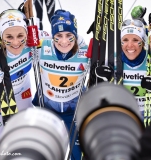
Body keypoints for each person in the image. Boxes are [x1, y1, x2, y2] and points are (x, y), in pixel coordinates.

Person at [0, 8, 51, 150]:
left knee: (27, 142)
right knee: (1, 146)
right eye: (9, 37)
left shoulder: (33, 44)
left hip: (23, 96)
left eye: (20, 35)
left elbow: (63, 41)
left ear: (26, 33)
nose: (16, 42)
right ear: (1, 37)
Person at [32, 9, 89, 160]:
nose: (64, 42)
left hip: (74, 111)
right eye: (58, 36)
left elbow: (113, 61)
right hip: (48, 109)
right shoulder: (41, 47)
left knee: (78, 155)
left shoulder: (86, 51)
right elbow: (16, 47)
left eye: (69, 36)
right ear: (53, 36)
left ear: (76, 35)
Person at [95, 19, 151, 121]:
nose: (129, 45)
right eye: (125, 40)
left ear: (143, 42)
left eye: (135, 40)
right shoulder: (113, 60)